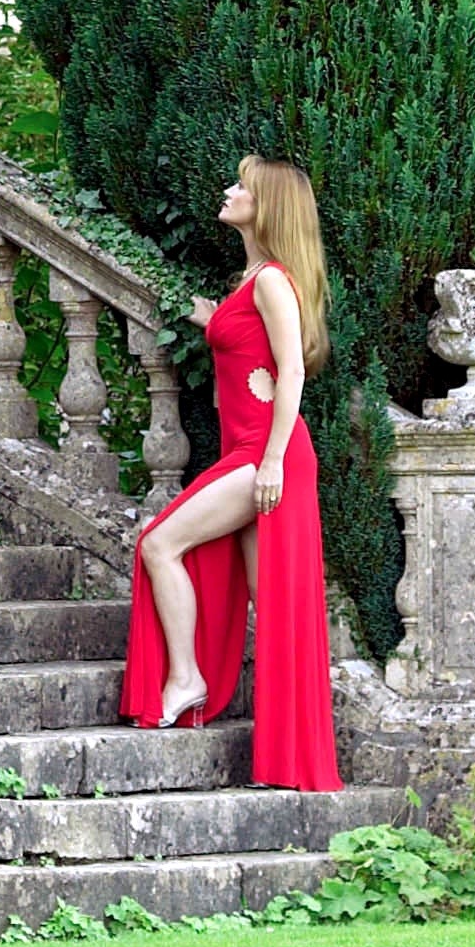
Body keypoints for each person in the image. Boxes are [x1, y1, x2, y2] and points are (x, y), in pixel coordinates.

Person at [120, 154, 341, 791]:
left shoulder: (271, 280)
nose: (229, 191)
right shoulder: (253, 280)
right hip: (250, 450)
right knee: (270, 602)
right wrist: (189, 307)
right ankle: (284, 756)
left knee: (159, 543)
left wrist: (270, 461)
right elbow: (235, 332)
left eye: (241, 186)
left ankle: (186, 677)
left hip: (268, 455)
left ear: (266, 206)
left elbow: (291, 370)